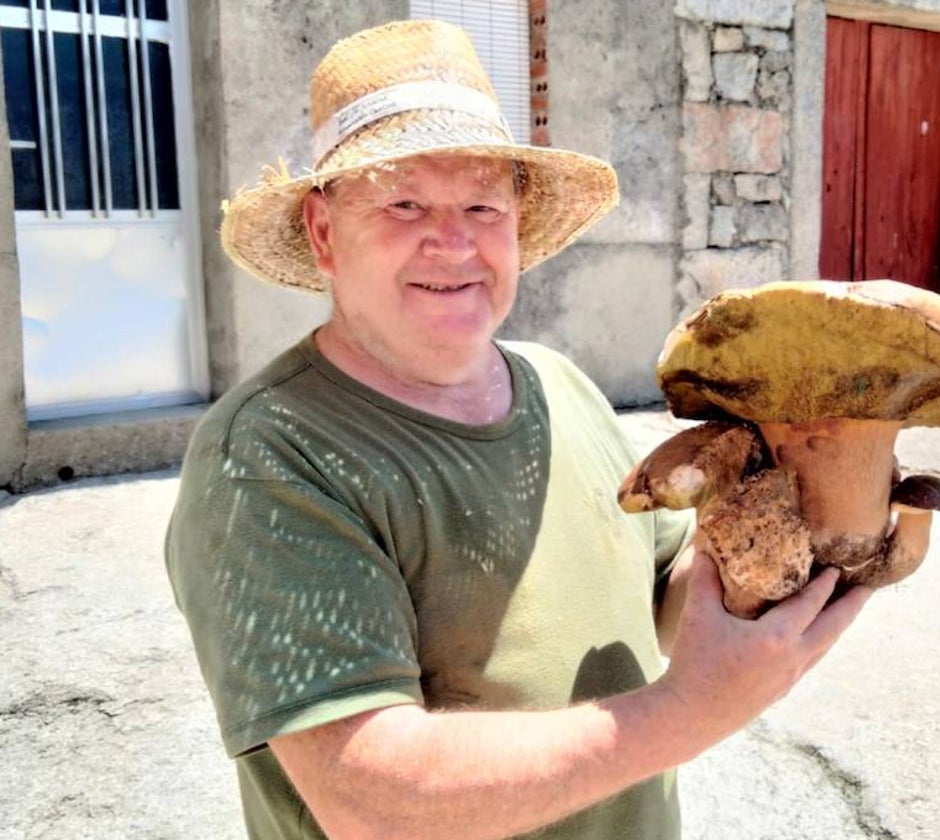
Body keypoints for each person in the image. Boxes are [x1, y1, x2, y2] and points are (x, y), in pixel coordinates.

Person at [165, 19, 872, 840]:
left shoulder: (558, 383)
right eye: (403, 203)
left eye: (481, 204)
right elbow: (371, 801)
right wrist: (689, 710)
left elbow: (663, 594)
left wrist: (804, 515)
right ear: (324, 233)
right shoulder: (268, 456)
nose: (455, 241)